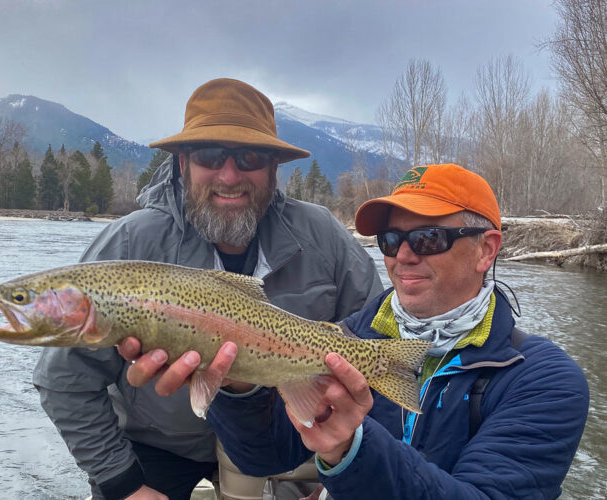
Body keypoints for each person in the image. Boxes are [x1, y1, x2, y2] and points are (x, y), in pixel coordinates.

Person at [126, 163, 590, 499]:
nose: (402, 256)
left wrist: (352, 448)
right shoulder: (348, 339)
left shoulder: (544, 380)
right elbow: (266, 457)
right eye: (390, 240)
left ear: (486, 250)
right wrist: (239, 380)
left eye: (428, 238)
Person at [32, 78, 384, 500]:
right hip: (158, 447)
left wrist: (343, 472)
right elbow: (63, 379)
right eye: (210, 156)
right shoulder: (130, 244)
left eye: (249, 157)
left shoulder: (322, 235)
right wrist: (122, 483)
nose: (229, 175)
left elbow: (377, 336)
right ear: (183, 164)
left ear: (273, 168)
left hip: (287, 441)